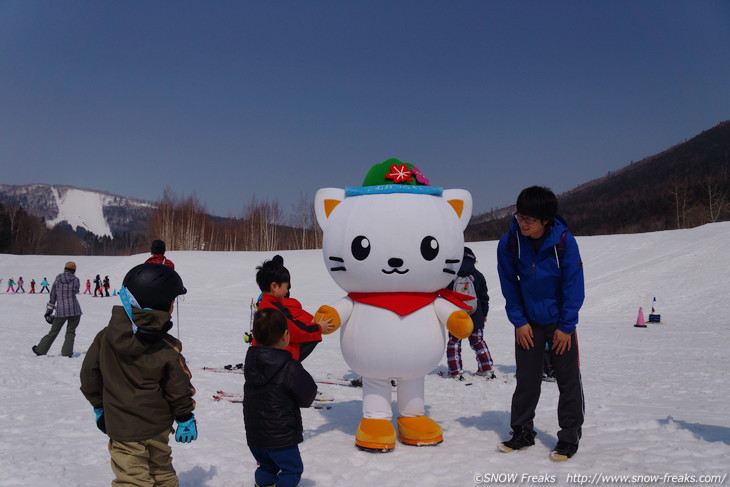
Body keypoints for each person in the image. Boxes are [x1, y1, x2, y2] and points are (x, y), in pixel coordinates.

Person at [80, 263, 195, 487]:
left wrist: (99, 405)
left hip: (122, 426)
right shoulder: (166, 346)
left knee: (132, 478)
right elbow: (179, 387)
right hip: (157, 425)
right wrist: (185, 417)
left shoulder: (105, 337)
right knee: (161, 471)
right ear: (166, 306)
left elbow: (89, 375)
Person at [496, 185, 585, 461]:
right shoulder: (510, 242)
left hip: (560, 321)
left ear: (545, 220)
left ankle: (569, 438)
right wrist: (519, 322)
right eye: (519, 216)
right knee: (527, 379)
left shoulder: (563, 242)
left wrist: (566, 326)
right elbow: (509, 285)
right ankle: (522, 431)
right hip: (528, 322)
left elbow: (574, 285)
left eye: (529, 219)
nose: (522, 223)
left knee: (568, 381)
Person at [243, 307, 318, 487]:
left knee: (266, 467)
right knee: (292, 469)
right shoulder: (289, 366)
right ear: (285, 335)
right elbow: (308, 395)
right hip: (281, 437)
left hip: (255, 436)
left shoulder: (251, 363)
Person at [254, 256, 334, 361]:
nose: (287, 291)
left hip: (269, 363)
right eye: (286, 286)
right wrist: (318, 328)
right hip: (279, 364)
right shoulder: (276, 311)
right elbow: (295, 330)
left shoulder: (264, 305)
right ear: (274, 286)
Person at [446, 246, 495, 380]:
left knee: (454, 343)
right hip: (476, 314)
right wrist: (484, 313)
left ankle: (455, 371)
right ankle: (486, 368)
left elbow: (445, 296)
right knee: (478, 341)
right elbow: (484, 297)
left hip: (457, 316)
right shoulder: (478, 275)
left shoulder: (450, 276)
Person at [32, 262, 82, 357]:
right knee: (70, 332)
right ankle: (67, 353)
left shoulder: (58, 278)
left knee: (53, 332)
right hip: (75, 310)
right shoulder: (76, 279)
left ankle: (40, 350)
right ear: (74, 270)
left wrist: (48, 312)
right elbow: (76, 291)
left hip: (61, 311)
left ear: (65, 268)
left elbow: (53, 296)